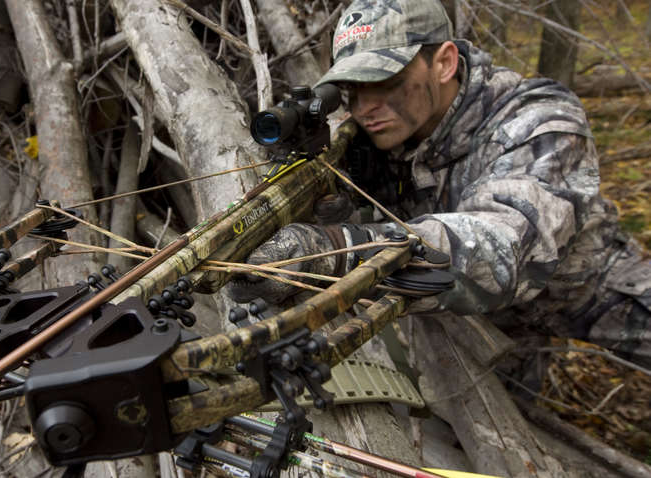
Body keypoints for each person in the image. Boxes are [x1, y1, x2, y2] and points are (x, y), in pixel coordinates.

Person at [226, 0, 651, 368]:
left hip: (585, 290)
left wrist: (336, 248)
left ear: (445, 62)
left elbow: (505, 251)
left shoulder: (540, 120)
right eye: (352, 89)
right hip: (476, 318)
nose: (366, 107)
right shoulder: (371, 132)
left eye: (385, 81)